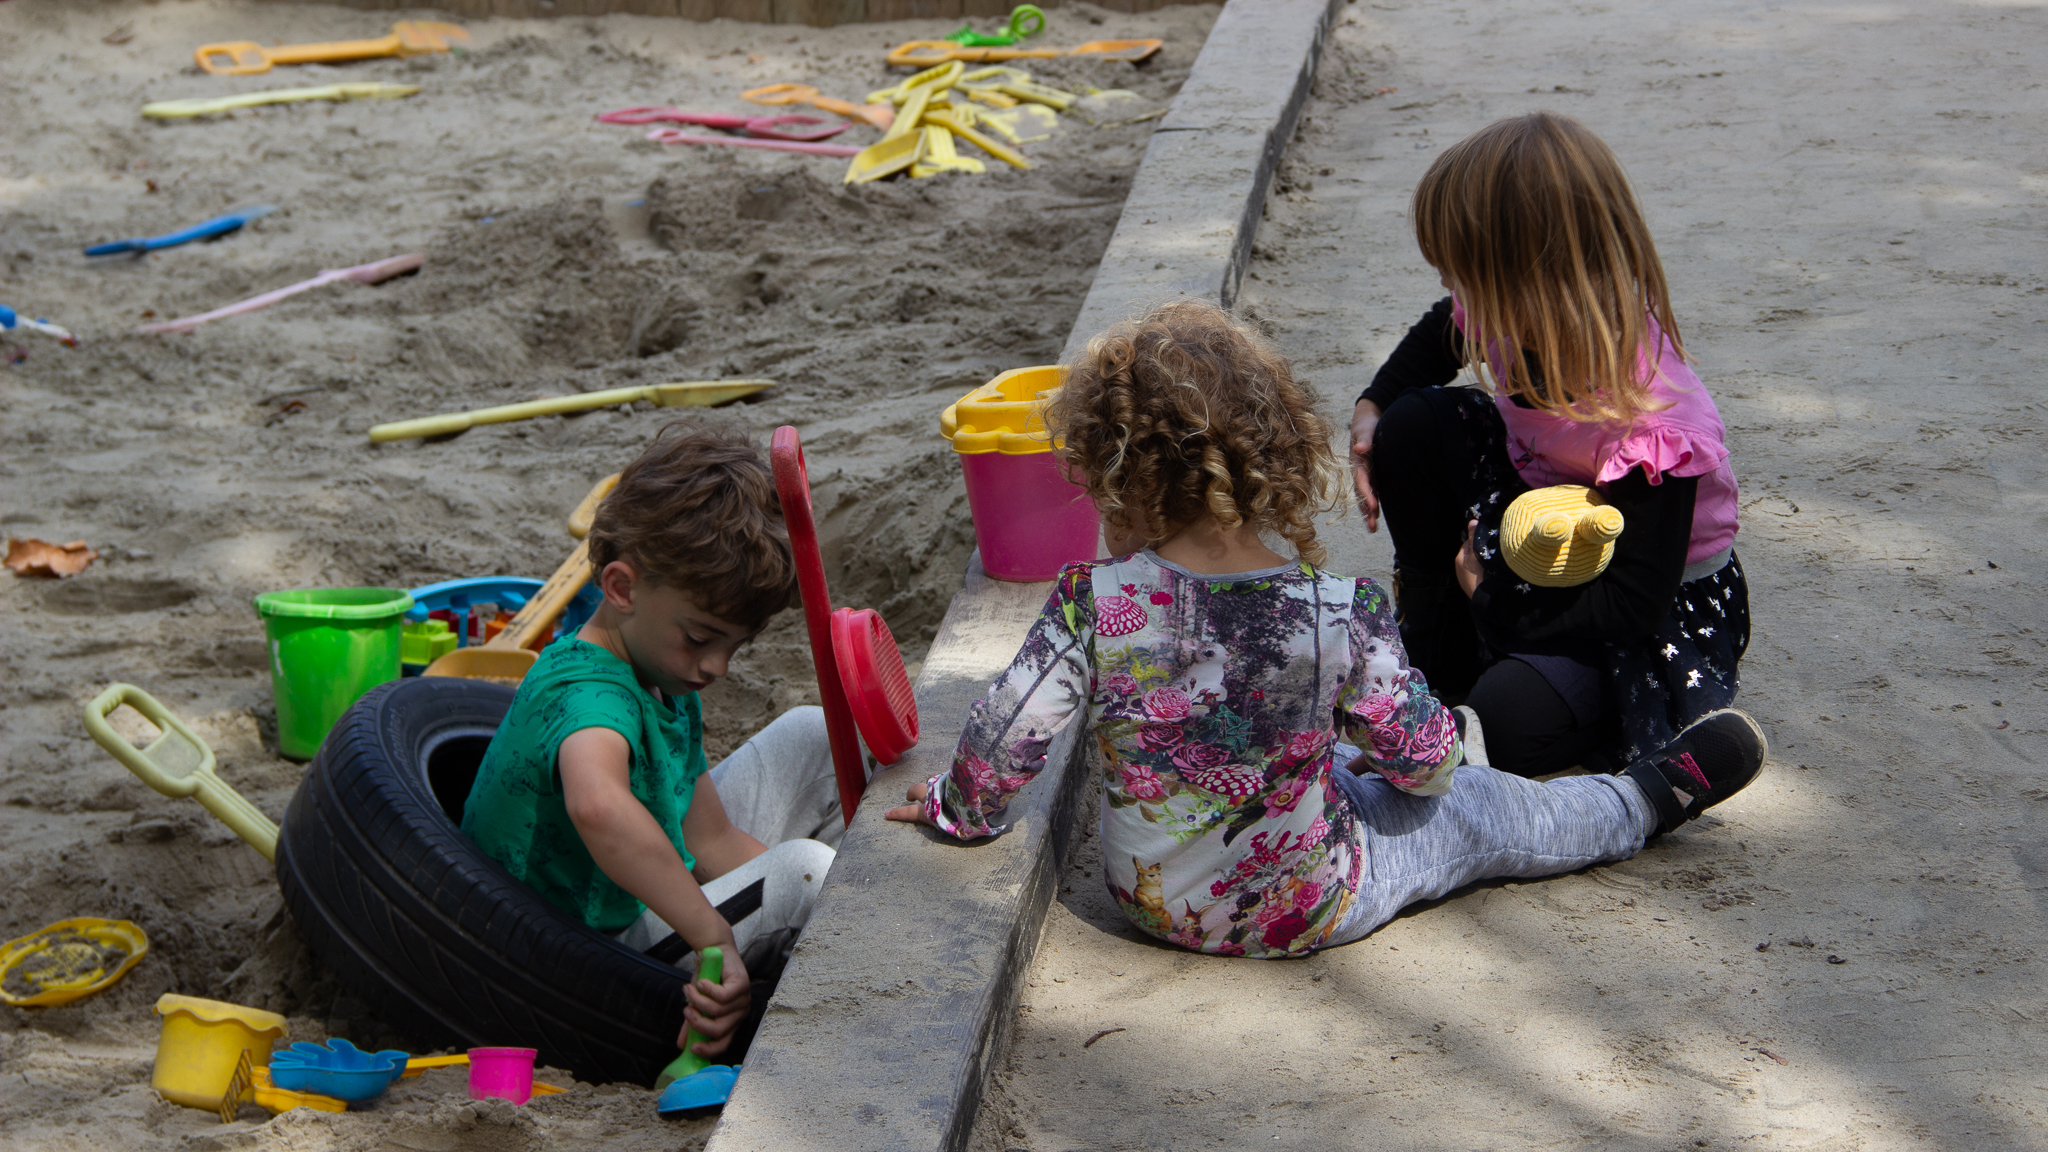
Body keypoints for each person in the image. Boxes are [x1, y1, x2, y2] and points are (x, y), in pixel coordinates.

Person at [886, 300, 1766, 957]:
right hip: (1302, 902)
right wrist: (1404, 749)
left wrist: (955, 812)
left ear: (1121, 476)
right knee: (1480, 808)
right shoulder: (1333, 611)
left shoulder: (1090, 600)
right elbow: (1423, 770)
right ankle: (1640, 802)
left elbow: (1005, 742)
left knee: (1322, 759)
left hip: (1146, 901)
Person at [1351, 111, 1749, 778]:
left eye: (1460, 272)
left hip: (1638, 615)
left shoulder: (1651, 425)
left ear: (1528, 278)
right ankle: (1437, 645)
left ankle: (1504, 668)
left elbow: (1629, 604)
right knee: (1412, 424)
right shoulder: (1516, 312)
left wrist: (1494, 599)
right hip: (1542, 529)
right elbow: (1439, 333)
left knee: (1507, 722)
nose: (1451, 288)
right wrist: (1373, 406)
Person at [460, 422, 842, 1058]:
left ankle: (834, 926)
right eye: (700, 637)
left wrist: (758, 904)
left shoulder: (659, 672)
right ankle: (845, 1011)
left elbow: (710, 841)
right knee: (806, 873)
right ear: (622, 588)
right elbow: (598, 804)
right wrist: (716, 935)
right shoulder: (587, 694)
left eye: (734, 645)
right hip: (581, 951)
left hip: (641, 895)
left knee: (812, 733)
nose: (716, 667)